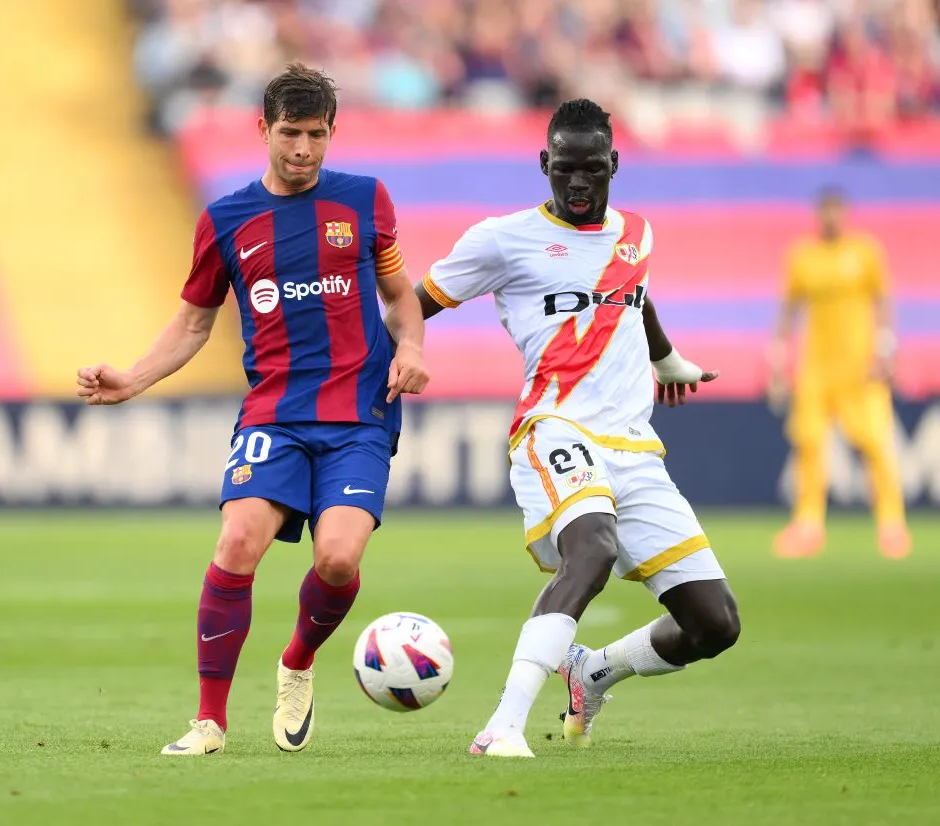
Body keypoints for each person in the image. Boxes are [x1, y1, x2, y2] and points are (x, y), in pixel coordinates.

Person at [76, 64, 429, 755]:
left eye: (316, 134)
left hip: (360, 412)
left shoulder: (366, 201)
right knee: (238, 542)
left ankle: (297, 660)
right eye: (290, 133)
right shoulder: (226, 220)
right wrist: (133, 379)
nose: (303, 149)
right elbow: (191, 325)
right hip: (273, 413)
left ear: (333, 132)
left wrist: (411, 344)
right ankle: (210, 721)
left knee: (335, 560)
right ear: (261, 129)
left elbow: (399, 292)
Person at [415, 99, 740, 758]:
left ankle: (595, 671)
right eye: (565, 169)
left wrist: (664, 356)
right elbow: (414, 303)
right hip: (554, 427)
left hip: (636, 449)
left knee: (715, 624)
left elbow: (634, 294)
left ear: (614, 163)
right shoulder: (502, 239)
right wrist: (400, 352)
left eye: (593, 169)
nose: (580, 184)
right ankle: (502, 724)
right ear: (545, 164)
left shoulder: (636, 233)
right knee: (589, 551)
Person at [769, 187, 910, 560]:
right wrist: (779, 361)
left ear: (844, 214)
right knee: (811, 444)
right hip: (816, 366)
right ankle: (808, 526)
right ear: (819, 215)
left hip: (859, 366)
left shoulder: (865, 252)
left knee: (875, 443)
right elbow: (789, 311)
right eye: (825, 212)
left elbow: (883, 301)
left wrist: (886, 350)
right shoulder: (803, 256)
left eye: (836, 211)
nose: (830, 218)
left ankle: (891, 524)